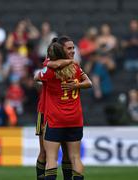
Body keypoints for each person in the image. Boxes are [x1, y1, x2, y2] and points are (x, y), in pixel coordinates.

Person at [35, 40, 92, 180]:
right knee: (75, 157)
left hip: (55, 119)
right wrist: (76, 84)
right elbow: (89, 83)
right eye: (69, 49)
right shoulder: (75, 68)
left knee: (51, 157)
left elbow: (37, 76)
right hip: (74, 118)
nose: (73, 51)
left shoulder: (49, 72)